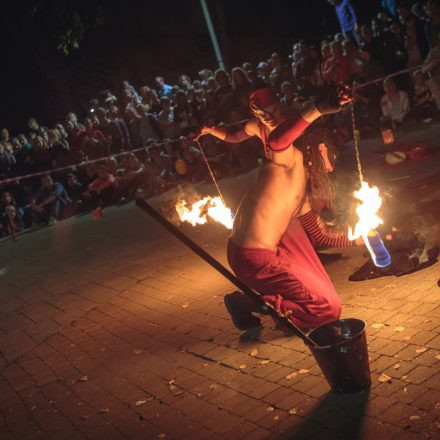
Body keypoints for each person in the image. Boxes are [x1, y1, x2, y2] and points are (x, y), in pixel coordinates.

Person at [198, 85, 356, 333]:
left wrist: (362, 236)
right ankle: (253, 303)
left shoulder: (298, 189)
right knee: (328, 309)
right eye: (327, 155)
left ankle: (256, 301)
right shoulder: (289, 159)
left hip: (247, 253)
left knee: (295, 232)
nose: (329, 168)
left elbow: (321, 235)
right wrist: (318, 108)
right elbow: (278, 139)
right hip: (256, 261)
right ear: (312, 149)